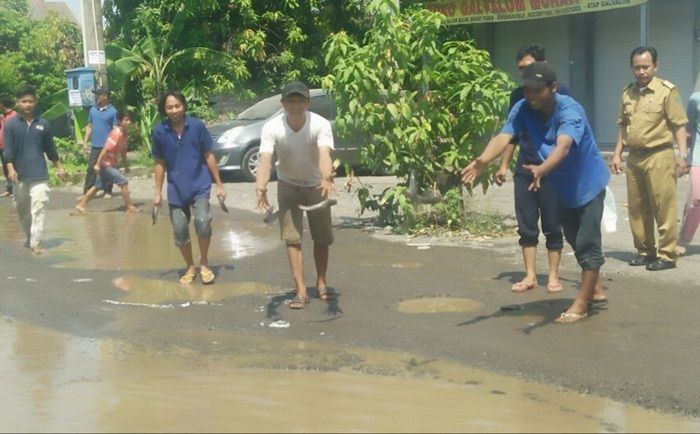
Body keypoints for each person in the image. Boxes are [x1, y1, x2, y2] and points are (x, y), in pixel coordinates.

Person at [462, 63, 609, 323]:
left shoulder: (570, 109)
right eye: (527, 90)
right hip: (561, 187)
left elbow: (563, 147)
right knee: (574, 239)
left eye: (536, 91)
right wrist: (482, 161)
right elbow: (505, 136)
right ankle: (593, 283)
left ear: (552, 87)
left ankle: (581, 303)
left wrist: (542, 168)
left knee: (587, 242)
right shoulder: (522, 108)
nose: (530, 96)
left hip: (587, 186)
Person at [495, 44, 572, 294]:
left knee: (552, 223)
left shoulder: (562, 95)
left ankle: (553, 276)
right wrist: (503, 164)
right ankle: (530, 276)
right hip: (525, 166)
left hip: (551, 169)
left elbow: (568, 135)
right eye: (520, 70)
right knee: (526, 222)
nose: (523, 74)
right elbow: (511, 133)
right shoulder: (518, 96)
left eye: (528, 67)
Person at [255, 81, 336, 309]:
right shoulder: (272, 127)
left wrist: (326, 177)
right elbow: (265, 160)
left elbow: (324, 154)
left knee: (322, 237)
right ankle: (301, 290)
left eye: (300, 101)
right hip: (288, 184)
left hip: (316, 184)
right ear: (283, 104)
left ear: (308, 103)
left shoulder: (319, 124)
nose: (296, 105)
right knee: (292, 238)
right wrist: (260, 187)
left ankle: (321, 281)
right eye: (291, 101)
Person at [611, 46, 688, 271]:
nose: (641, 71)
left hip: (660, 155)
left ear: (656, 66)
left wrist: (682, 155)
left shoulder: (667, 91)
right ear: (632, 68)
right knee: (637, 207)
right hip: (635, 157)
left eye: (646, 66)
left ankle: (667, 254)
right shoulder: (627, 93)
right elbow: (623, 126)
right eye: (637, 67)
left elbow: (679, 124)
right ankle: (645, 251)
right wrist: (617, 154)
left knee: (663, 206)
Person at [151, 90, 226, 285]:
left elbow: (209, 155)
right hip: (176, 188)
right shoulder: (159, 131)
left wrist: (219, 184)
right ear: (164, 110)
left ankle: (204, 263)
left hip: (199, 184)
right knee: (180, 229)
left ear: (184, 106)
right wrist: (157, 193)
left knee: (202, 221)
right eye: (169, 107)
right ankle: (190, 266)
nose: (174, 110)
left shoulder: (197, 126)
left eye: (177, 106)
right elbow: (159, 163)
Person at [2, 85, 66, 255]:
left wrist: (59, 167)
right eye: (24, 101)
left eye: (31, 101)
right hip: (19, 176)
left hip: (39, 174)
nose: (28, 105)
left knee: (38, 208)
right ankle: (29, 235)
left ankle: (35, 242)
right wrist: (10, 168)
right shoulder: (10, 124)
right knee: (22, 211)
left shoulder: (43, 124)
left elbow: (50, 149)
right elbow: (7, 150)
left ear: (35, 102)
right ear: (17, 103)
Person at [73, 110, 138, 214]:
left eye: (130, 120)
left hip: (111, 164)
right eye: (126, 120)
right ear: (120, 121)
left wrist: (126, 165)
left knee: (97, 187)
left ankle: (80, 206)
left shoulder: (125, 134)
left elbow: (123, 150)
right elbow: (105, 149)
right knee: (123, 182)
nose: (129, 122)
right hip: (106, 165)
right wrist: (98, 164)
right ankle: (129, 207)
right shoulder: (116, 134)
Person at [80, 86, 117, 200]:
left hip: (107, 146)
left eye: (98, 94)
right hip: (95, 145)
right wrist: (85, 142)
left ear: (105, 96)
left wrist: (115, 145)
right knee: (91, 167)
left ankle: (107, 190)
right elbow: (89, 126)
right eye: (95, 94)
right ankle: (87, 190)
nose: (96, 97)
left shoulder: (113, 111)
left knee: (108, 168)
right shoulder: (93, 110)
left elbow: (115, 129)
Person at [678, 91, 700, 254]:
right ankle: (684, 239)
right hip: (698, 158)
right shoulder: (695, 99)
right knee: (696, 202)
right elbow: (689, 128)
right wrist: (683, 156)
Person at [0, 94, 18, 198]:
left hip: (10, 146)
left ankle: (16, 189)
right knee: (6, 169)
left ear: (2, 104)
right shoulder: (4, 116)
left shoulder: (14, 116)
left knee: (13, 167)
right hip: (2, 146)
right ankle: (9, 189)